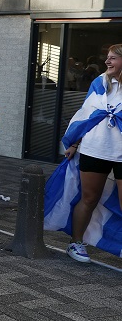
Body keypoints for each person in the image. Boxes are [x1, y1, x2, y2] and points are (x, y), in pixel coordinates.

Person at [57, 43, 122, 263]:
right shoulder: (100, 82)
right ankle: (76, 243)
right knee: (89, 198)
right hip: (95, 149)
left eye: (113, 58)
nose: (107, 61)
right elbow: (85, 115)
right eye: (107, 57)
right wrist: (74, 143)